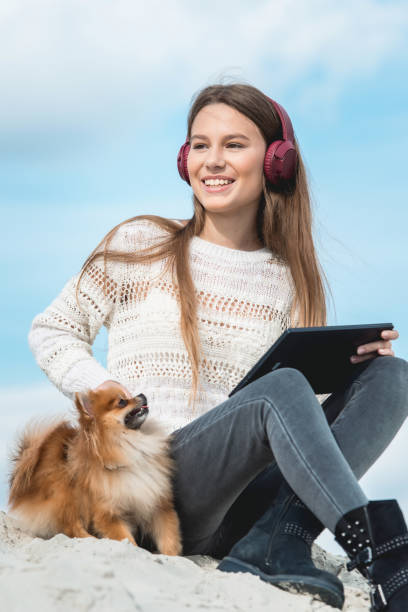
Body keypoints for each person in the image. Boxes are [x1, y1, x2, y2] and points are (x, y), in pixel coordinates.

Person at [28, 83, 408, 611]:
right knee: (279, 388)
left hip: (244, 503)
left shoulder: (288, 282)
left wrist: (350, 382)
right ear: (185, 159)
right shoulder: (139, 244)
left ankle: (276, 539)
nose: (213, 161)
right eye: (200, 145)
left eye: (233, 145)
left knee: (393, 375)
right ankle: (387, 555)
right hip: (155, 484)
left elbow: (301, 425)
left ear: (275, 161)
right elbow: (52, 330)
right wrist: (101, 389)